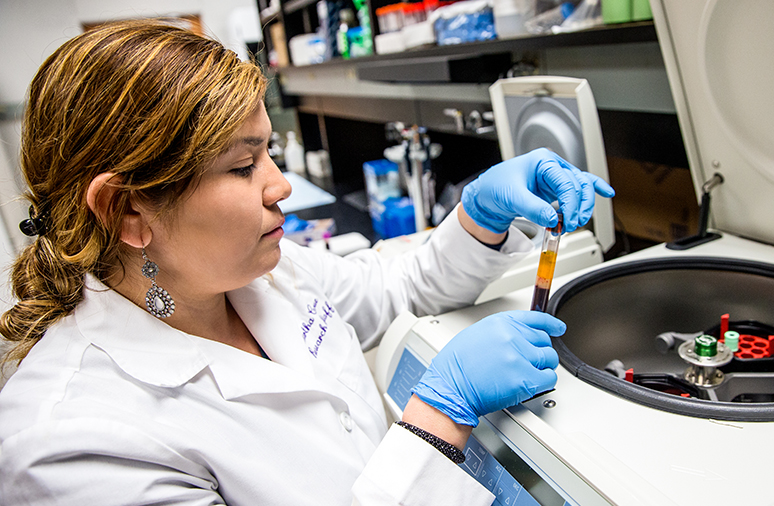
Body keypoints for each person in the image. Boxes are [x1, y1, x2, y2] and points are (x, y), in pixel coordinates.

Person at [0, 20, 614, 505]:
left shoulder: (256, 272)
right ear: (126, 211)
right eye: (243, 167)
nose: (280, 186)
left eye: (268, 151)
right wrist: (435, 423)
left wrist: (479, 215)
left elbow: (392, 290)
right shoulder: (71, 445)